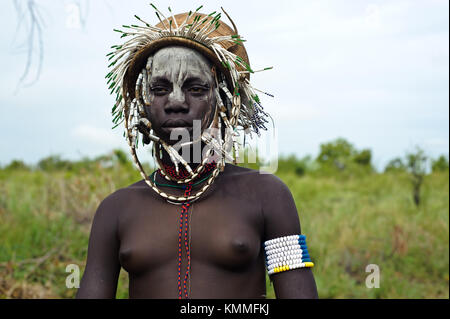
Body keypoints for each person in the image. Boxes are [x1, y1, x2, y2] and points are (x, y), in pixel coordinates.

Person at [76, 5, 318, 299]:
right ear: (142, 103)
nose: (176, 101)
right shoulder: (116, 210)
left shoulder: (267, 194)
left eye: (195, 88)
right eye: (160, 88)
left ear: (225, 101)